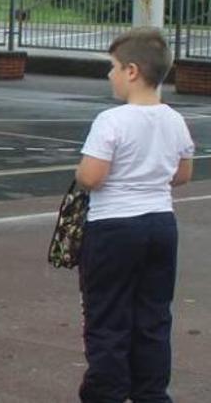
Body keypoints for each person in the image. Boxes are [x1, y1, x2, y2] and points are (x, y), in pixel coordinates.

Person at [74, 29, 192, 402]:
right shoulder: (174, 119)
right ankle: (151, 393)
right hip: (160, 222)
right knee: (153, 316)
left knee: (107, 316)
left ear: (131, 71)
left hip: (114, 225)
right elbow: (182, 175)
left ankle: (106, 392)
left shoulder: (112, 120)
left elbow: (92, 177)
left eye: (112, 67)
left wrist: (79, 173)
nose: (109, 75)